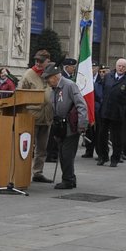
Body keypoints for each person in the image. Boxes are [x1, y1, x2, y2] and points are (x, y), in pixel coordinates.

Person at [43, 62, 88, 190]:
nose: (47, 81)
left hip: (71, 126)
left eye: (48, 78)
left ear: (55, 77)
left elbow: (81, 104)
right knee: (62, 153)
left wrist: (82, 124)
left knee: (67, 154)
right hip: (60, 126)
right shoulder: (54, 89)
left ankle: (68, 180)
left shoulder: (69, 85)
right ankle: (70, 178)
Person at [18, 49, 54, 182]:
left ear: (47, 61)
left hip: (47, 116)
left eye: (41, 61)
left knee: (42, 148)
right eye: (36, 60)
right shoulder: (29, 74)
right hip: (31, 115)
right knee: (27, 146)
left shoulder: (51, 73)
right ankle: (23, 172)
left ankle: (38, 172)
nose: (38, 63)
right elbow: (20, 93)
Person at [95, 58, 126, 165]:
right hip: (105, 111)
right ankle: (103, 156)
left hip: (118, 113)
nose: (121, 68)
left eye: (123, 67)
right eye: (119, 66)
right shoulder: (108, 77)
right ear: (116, 66)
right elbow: (102, 91)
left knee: (117, 137)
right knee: (102, 136)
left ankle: (115, 158)